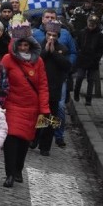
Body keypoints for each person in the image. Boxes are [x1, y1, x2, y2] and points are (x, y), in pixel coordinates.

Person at [0, 21, 49, 188]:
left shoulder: (39, 62)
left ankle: (18, 168)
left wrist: (44, 109)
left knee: (24, 141)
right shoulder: (7, 60)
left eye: (26, 44)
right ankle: (9, 173)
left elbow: (42, 85)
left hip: (31, 108)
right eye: (20, 44)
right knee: (11, 139)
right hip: (12, 105)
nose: (23, 48)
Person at [36, 21, 70, 156]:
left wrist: (55, 53)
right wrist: (46, 51)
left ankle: (46, 146)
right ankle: (36, 137)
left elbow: (67, 66)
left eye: (54, 35)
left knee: (52, 118)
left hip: (55, 87)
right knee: (40, 115)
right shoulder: (38, 46)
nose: (51, 38)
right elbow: (35, 60)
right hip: (40, 86)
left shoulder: (63, 48)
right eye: (49, 34)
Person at [73, 15, 103, 106]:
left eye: (93, 24)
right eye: (90, 23)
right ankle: (76, 92)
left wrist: (97, 58)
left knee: (91, 80)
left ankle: (88, 99)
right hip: (82, 59)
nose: (91, 25)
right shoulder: (82, 32)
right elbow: (77, 43)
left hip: (93, 61)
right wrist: (79, 52)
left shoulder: (99, 35)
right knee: (79, 77)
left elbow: (101, 48)